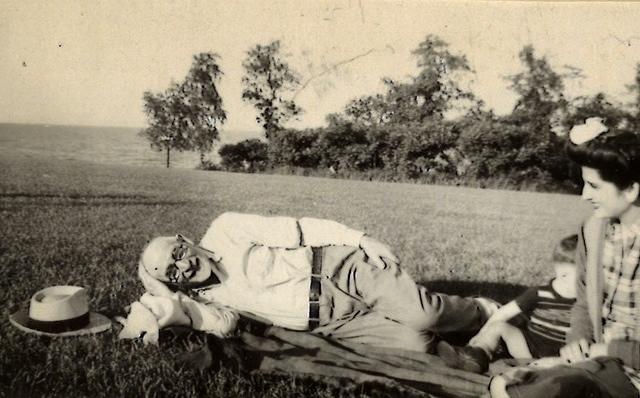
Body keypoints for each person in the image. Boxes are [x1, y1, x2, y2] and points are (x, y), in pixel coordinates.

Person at [137, 211, 498, 352]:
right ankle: (482, 342)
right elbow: (225, 326)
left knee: (426, 316)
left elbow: (300, 229)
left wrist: (359, 238)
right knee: (419, 346)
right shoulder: (205, 299)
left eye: (177, 255)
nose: (181, 268)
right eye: (170, 273)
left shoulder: (225, 228)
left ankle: (480, 310)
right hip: (333, 322)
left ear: (185, 240)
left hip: (341, 272)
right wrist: (165, 293)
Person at [489, 117, 640, 398]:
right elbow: (584, 304)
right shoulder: (594, 231)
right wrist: (578, 340)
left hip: (627, 372)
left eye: (594, 186)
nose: (584, 196)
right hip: (597, 364)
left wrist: (602, 351)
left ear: (631, 189)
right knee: (506, 381)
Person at [436, 234, 578, 374]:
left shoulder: (590, 304)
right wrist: (482, 335)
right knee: (498, 327)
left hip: (564, 358)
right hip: (528, 348)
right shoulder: (540, 293)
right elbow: (503, 313)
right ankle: (474, 357)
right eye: (563, 276)